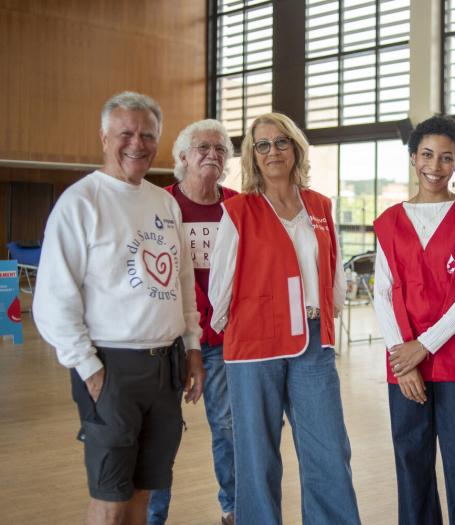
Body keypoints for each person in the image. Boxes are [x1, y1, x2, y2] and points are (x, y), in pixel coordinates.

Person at [32, 91, 205, 525]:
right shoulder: (81, 201)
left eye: (148, 135)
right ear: (104, 137)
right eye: (126, 133)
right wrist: (88, 368)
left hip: (165, 367)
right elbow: (54, 299)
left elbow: (183, 282)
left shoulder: (164, 202)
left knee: (143, 499)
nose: (138, 143)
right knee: (110, 502)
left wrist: (192, 347)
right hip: (111, 368)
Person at [208, 112, 360, 524]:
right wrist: (237, 326)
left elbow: (331, 271)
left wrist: (327, 315)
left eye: (281, 142)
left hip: (312, 340)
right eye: (263, 145)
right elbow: (220, 285)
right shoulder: (238, 211)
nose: (273, 151)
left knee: (329, 447)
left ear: (295, 147)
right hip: (255, 340)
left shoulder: (320, 206)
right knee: (256, 451)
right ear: (253, 156)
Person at [373, 116, 455, 524]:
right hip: (404, 359)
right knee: (411, 459)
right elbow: (382, 292)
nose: (435, 165)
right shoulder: (389, 221)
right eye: (427, 154)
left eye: (446, 158)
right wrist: (403, 356)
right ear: (414, 157)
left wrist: (422, 347)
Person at [147, 119, 238, 525]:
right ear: (182, 157)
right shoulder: (159, 204)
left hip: (223, 340)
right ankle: (153, 515)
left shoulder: (239, 206)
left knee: (228, 428)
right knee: (162, 434)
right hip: (168, 339)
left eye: (220, 149)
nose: (212, 155)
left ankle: (233, 507)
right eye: (203, 147)